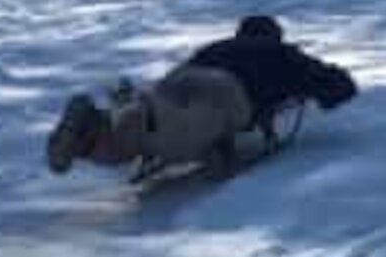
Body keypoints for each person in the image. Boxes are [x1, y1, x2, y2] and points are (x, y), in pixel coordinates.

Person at [47, 15, 357, 178]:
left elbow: (191, 69)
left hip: (181, 78)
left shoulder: (216, 47)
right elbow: (337, 85)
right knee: (176, 131)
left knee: (154, 122)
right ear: (273, 35)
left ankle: (99, 127)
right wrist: (325, 89)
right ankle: (107, 128)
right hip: (227, 93)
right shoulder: (279, 53)